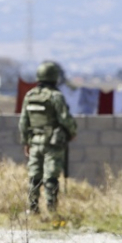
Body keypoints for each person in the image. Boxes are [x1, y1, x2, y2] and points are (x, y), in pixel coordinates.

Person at [18, 61, 78, 215]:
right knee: (51, 177)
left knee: (34, 176)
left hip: (35, 142)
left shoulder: (30, 96)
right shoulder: (56, 96)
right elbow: (65, 118)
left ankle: (32, 209)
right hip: (53, 143)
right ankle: (51, 210)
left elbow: (23, 122)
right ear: (54, 77)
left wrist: (26, 142)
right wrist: (72, 132)